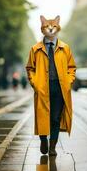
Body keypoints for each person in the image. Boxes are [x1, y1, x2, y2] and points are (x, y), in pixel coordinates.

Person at [26, 15, 76, 156]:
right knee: (42, 116)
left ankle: (53, 146)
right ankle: (43, 139)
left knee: (55, 118)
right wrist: (35, 83)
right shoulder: (35, 49)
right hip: (42, 88)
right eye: (47, 26)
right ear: (42, 29)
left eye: (53, 26)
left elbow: (72, 67)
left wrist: (69, 81)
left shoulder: (65, 48)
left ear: (58, 28)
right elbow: (30, 68)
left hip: (60, 88)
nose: (50, 29)